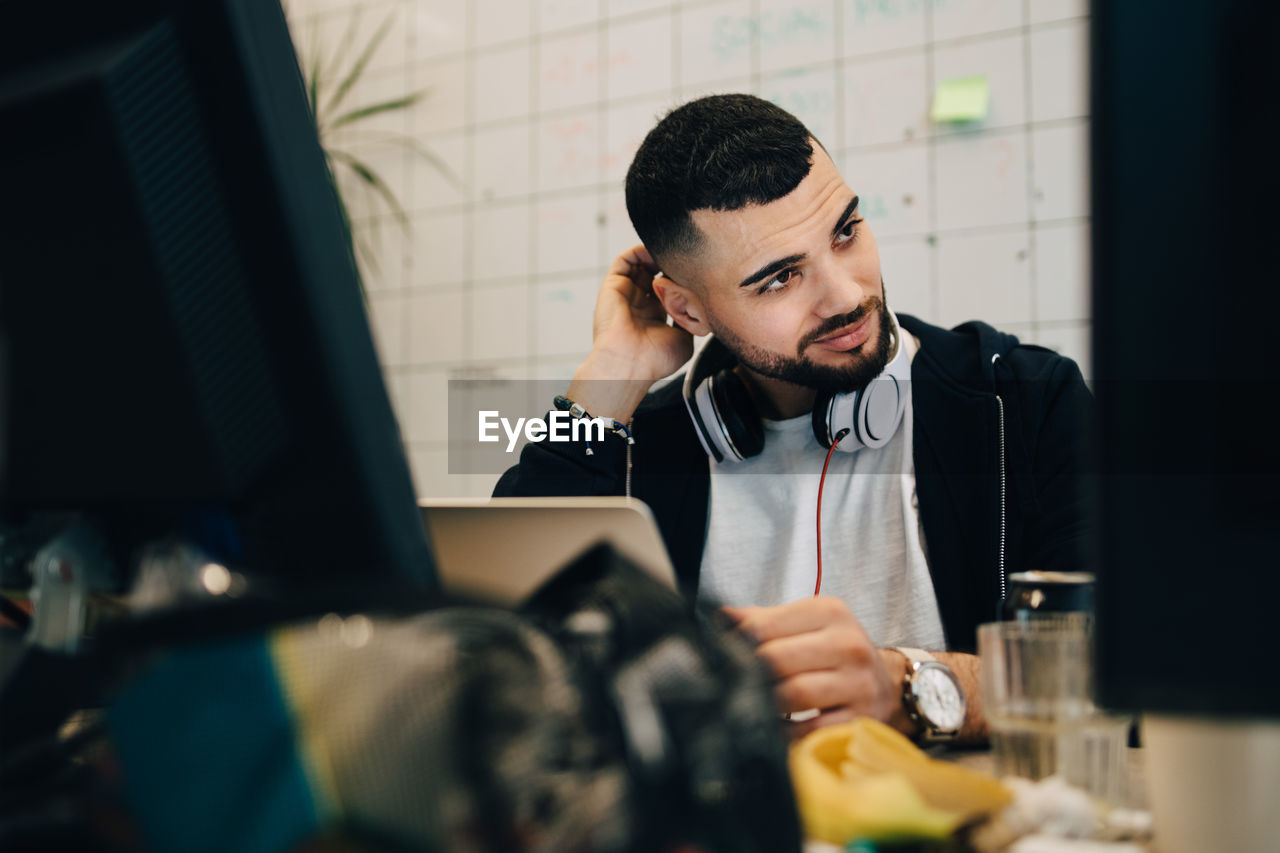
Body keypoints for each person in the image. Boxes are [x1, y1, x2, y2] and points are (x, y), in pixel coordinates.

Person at [495, 94, 1092, 744]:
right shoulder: (638, 443)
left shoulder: (1022, 400)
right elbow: (501, 662)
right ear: (687, 311)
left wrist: (909, 687)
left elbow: (1123, 662)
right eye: (780, 278)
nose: (846, 295)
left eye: (846, 231)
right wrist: (606, 384)